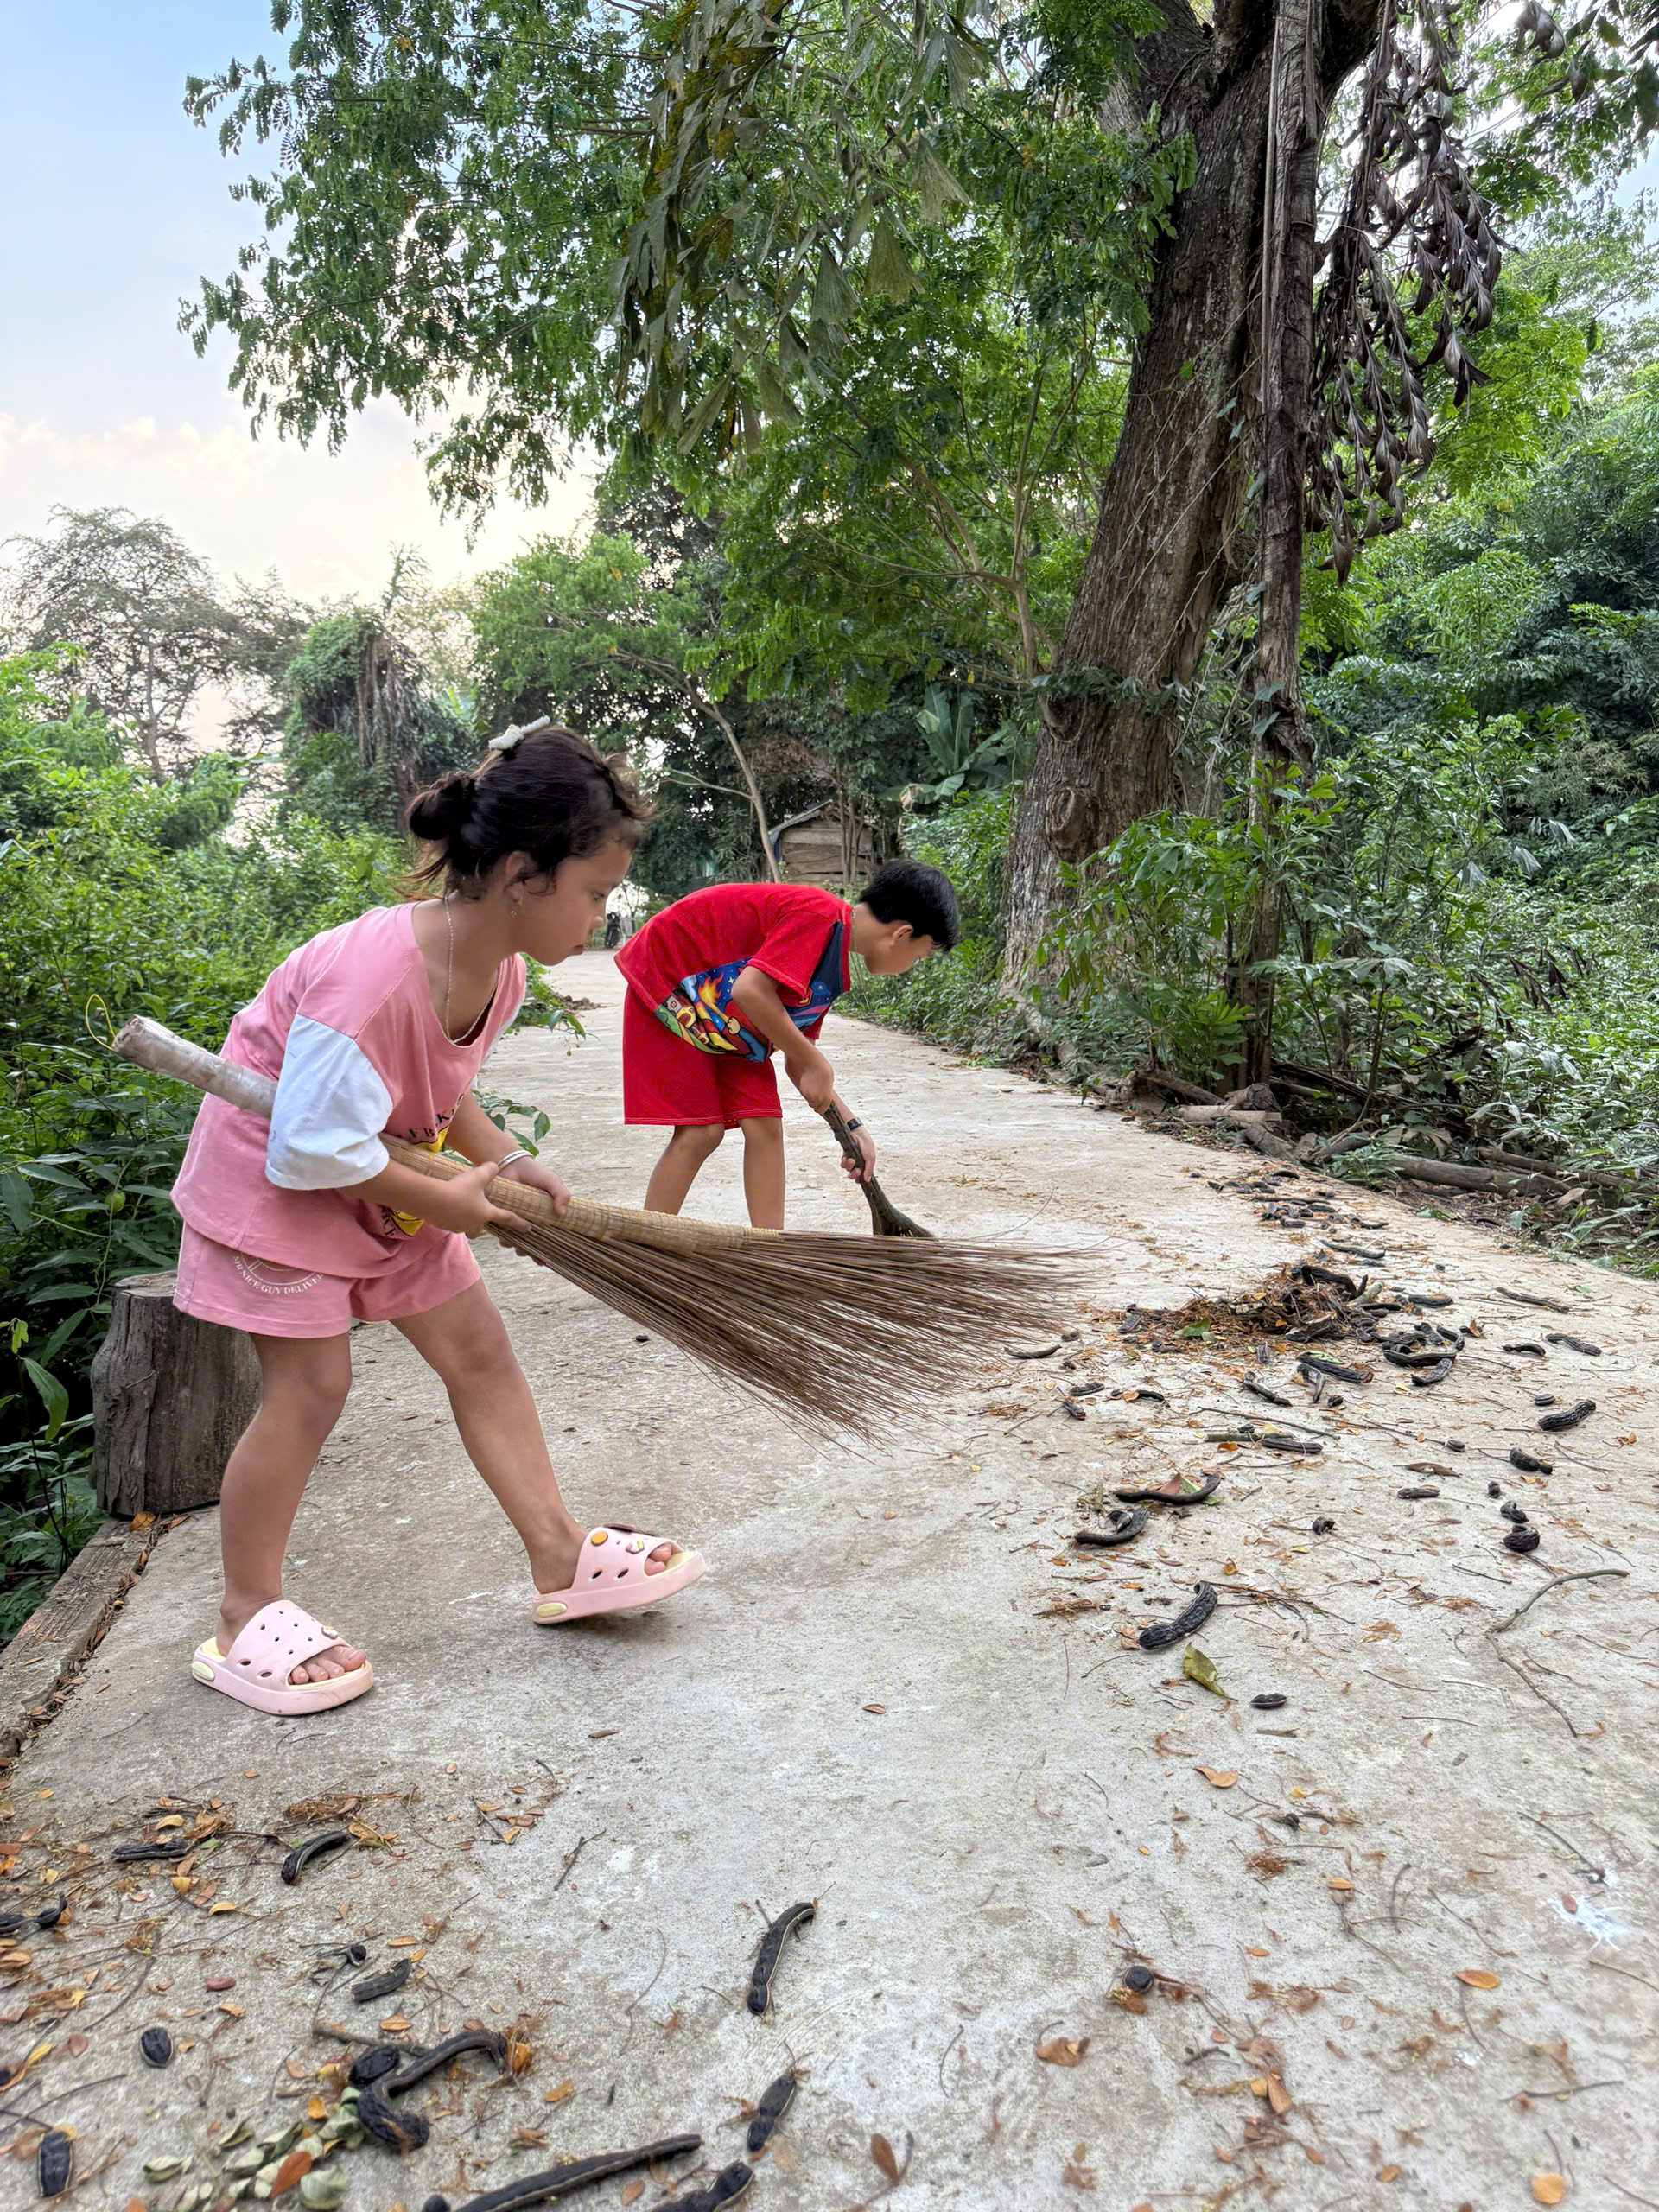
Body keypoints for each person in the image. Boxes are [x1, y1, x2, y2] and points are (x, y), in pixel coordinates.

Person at [168, 721, 704, 1718]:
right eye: (594, 892)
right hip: (278, 1192)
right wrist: (449, 1198)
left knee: (482, 1352)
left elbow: (436, 1086)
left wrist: (498, 1159)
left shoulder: (496, 968)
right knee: (313, 1387)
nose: (601, 917)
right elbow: (307, 1146)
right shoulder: (369, 978)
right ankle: (245, 1615)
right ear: (519, 874)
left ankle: (557, 1554)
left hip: (388, 1177)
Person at [618, 860, 958, 1229]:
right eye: (921, 955)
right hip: (672, 978)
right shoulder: (819, 917)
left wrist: (852, 1125)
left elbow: (800, 1060)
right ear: (902, 934)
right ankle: (644, 1244)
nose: (913, 964)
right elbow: (750, 991)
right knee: (702, 1132)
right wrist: (814, 1062)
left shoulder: (833, 968)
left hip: (722, 1014)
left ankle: (769, 1252)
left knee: (765, 1124)